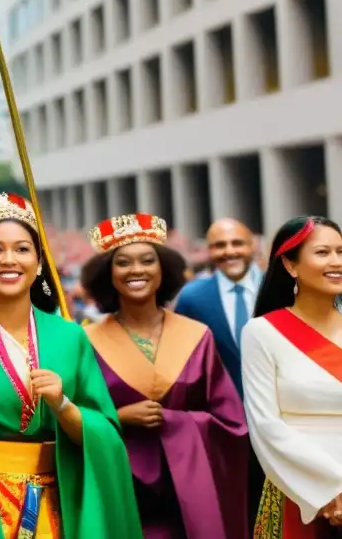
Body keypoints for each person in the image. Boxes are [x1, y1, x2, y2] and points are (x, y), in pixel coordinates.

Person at [0, 192, 144, 539]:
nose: (9, 259)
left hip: (59, 501)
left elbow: (106, 432)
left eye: (22, 249)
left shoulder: (71, 336)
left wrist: (63, 405)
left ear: (38, 262)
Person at [82, 213, 249, 538]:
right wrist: (117, 417)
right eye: (123, 263)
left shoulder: (197, 336)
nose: (136, 270)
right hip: (122, 489)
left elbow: (231, 425)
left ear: (163, 270)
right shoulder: (87, 341)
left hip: (187, 494)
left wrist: (176, 421)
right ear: (108, 273)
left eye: (147, 260)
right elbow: (74, 416)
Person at [242, 216, 342, 536]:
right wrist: (332, 489)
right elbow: (265, 426)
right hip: (296, 489)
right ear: (290, 264)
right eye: (323, 252)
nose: (336, 262)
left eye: (341, 252)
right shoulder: (261, 333)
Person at [175, 217, 265, 531]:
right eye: (219, 245)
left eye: (237, 243)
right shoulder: (192, 298)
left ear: (253, 244)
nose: (229, 251)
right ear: (209, 250)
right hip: (222, 430)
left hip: (276, 424)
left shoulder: (282, 290)